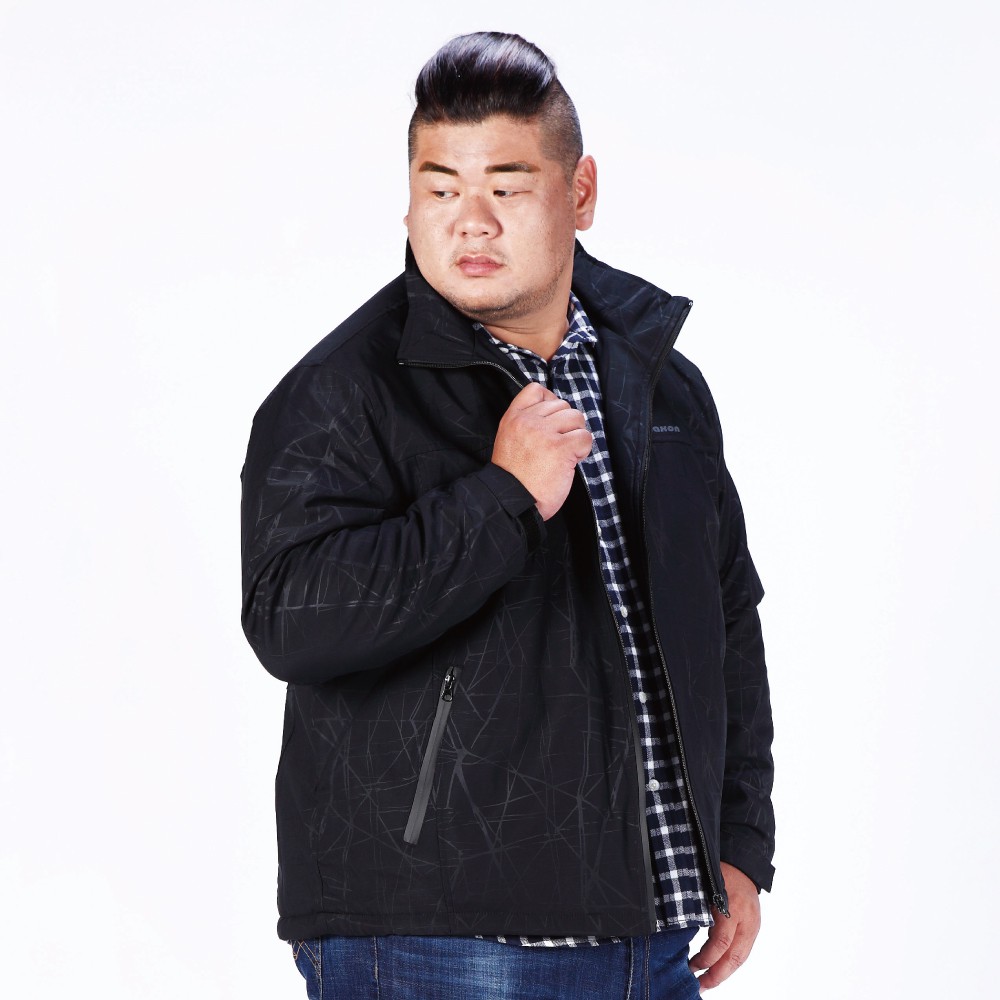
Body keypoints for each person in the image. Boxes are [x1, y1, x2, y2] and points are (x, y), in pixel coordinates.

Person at [241, 30, 775, 999]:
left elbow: (726, 616)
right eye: (441, 189)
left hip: (653, 936)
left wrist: (737, 840)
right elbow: (288, 618)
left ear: (580, 192)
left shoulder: (662, 386)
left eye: (506, 186)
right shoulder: (344, 389)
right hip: (433, 938)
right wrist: (502, 497)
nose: (471, 223)